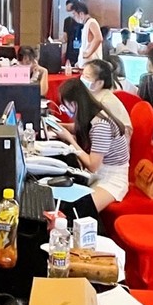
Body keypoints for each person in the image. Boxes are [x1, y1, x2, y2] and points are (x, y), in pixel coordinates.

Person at [47, 78, 130, 211]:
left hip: (112, 179)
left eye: (65, 106)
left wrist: (70, 140)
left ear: (74, 104)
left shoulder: (101, 126)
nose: (65, 110)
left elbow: (92, 165)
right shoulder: (93, 115)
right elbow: (77, 128)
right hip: (99, 173)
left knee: (81, 209)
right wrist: (58, 126)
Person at [80, 58, 132, 130]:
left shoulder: (104, 102)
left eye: (87, 77)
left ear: (100, 83)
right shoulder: (93, 95)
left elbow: (92, 129)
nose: (82, 79)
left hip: (116, 135)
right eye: (82, 75)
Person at [74, 1, 103, 66]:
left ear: (81, 14)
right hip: (86, 64)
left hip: (92, 64)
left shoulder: (91, 22)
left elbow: (98, 38)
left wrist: (88, 53)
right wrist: (79, 61)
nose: (74, 17)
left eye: (74, 14)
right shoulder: (86, 24)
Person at [61, 0, 82, 68]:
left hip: (81, 49)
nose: (70, 13)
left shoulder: (82, 20)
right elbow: (65, 38)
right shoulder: (67, 20)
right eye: (67, 11)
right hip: (70, 50)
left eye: (70, 10)